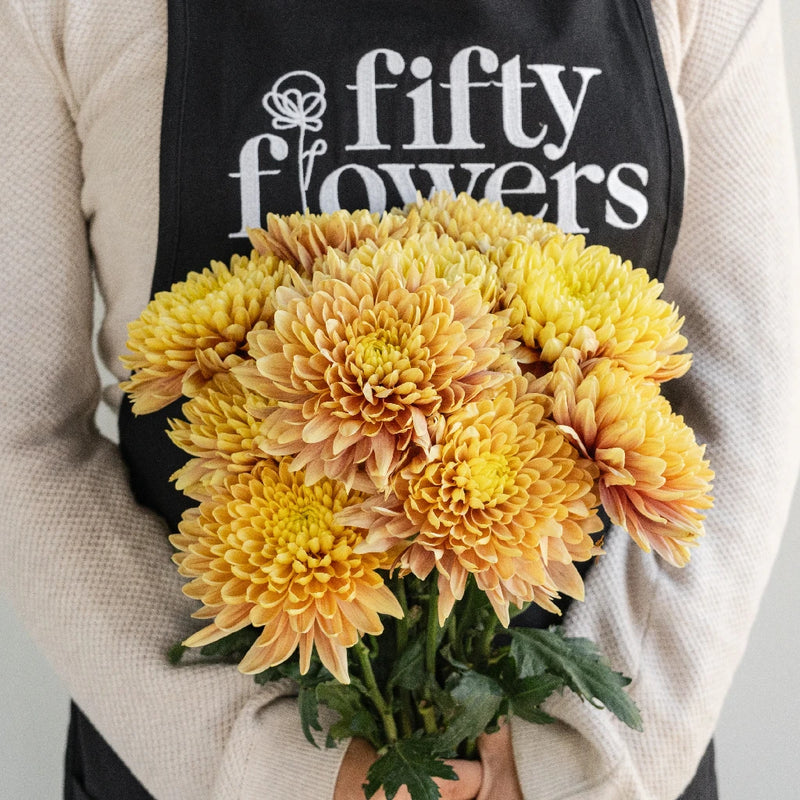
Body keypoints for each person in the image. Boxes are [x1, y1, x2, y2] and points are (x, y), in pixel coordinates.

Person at [1, 0, 798, 798]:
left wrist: (583, 763)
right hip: (192, 755)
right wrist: (270, 771)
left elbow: (743, 395)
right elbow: (22, 428)